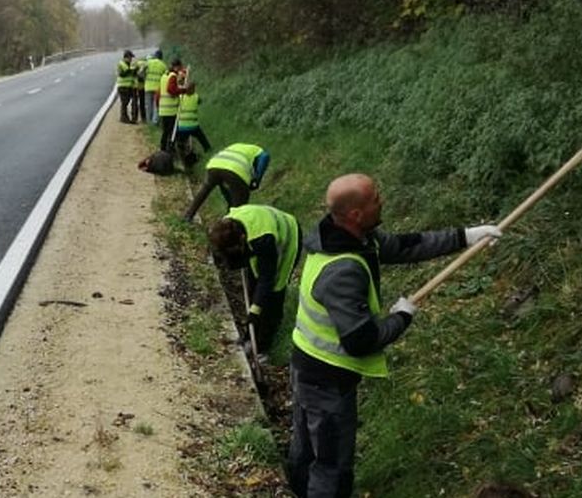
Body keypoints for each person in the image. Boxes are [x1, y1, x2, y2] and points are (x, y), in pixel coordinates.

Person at [285, 173, 503, 498]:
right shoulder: (342, 270)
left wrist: (467, 236)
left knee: (305, 450)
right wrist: (401, 317)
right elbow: (361, 341)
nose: (382, 200)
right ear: (356, 214)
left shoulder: (349, 236)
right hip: (326, 380)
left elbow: (406, 246)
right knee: (331, 466)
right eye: (375, 198)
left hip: (308, 366)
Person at [208, 204, 300, 356]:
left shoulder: (263, 240)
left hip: (287, 237)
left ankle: (263, 346)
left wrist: (255, 310)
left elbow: (267, 278)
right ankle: (250, 336)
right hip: (258, 235)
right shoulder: (227, 225)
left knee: (273, 293)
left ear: (242, 239)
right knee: (254, 286)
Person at [182, 143, 270, 221]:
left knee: (205, 190)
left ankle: (188, 215)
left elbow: (226, 190)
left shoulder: (237, 146)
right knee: (241, 202)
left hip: (214, 165)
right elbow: (265, 156)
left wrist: (230, 205)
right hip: (235, 170)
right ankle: (233, 225)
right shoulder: (259, 151)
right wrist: (257, 179)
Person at [174, 82, 211, 159]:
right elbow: (200, 101)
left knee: (180, 141)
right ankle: (208, 149)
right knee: (202, 138)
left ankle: (181, 154)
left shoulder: (181, 97)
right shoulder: (196, 97)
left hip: (182, 126)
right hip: (194, 126)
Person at [157, 59, 186, 151]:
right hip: (171, 110)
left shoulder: (164, 76)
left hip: (163, 109)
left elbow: (158, 93)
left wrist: (158, 105)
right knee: (172, 132)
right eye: (180, 67)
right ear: (177, 67)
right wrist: (183, 90)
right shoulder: (173, 76)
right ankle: (171, 150)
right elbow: (171, 90)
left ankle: (163, 149)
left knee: (165, 132)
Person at [143, 50, 167, 126]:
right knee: (156, 105)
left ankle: (148, 120)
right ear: (161, 57)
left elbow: (141, 72)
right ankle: (155, 121)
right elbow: (166, 77)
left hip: (148, 87)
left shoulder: (149, 63)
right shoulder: (163, 65)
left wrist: (144, 78)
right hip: (158, 88)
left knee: (148, 105)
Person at [116, 50, 137, 123]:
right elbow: (121, 74)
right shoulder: (121, 64)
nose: (131, 59)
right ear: (126, 57)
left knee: (133, 102)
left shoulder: (130, 64)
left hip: (130, 86)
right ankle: (124, 118)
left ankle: (132, 118)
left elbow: (133, 74)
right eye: (130, 57)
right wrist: (130, 71)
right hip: (123, 87)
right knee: (124, 103)